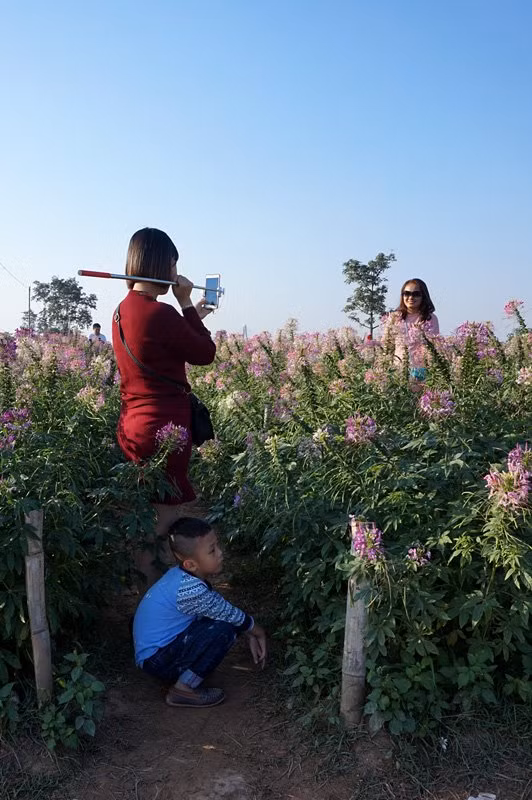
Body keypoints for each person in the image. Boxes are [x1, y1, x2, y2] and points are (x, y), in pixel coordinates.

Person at [112, 228, 216, 586]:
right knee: (164, 520)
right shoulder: (162, 312)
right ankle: (154, 597)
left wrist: (190, 316)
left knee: (146, 515)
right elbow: (205, 353)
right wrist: (186, 304)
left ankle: (145, 590)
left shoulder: (121, 311)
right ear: (159, 264)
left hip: (133, 426)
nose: (176, 272)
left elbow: (161, 343)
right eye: (172, 264)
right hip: (164, 429)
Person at [133, 517, 267, 708]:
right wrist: (257, 631)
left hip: (154, 654)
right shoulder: (191, 590)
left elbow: (220, 609)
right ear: (190, 564)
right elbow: (229, 615)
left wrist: (247, 630)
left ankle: (187, 672)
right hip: (158, 660)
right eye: (212, 550)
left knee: (226, 622)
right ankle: (183, 689)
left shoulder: (180, 576)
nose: (220, 553)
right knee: (224, 629)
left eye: (217, 546)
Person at [383, 278, 439, 379]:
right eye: (407, 293)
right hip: (398, 371)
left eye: (416, 294)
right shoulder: (394, 317)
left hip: (421, 372)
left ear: (423, 296)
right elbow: (387, 345)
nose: (411, 297)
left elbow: (433, 346)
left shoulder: (430, 318)